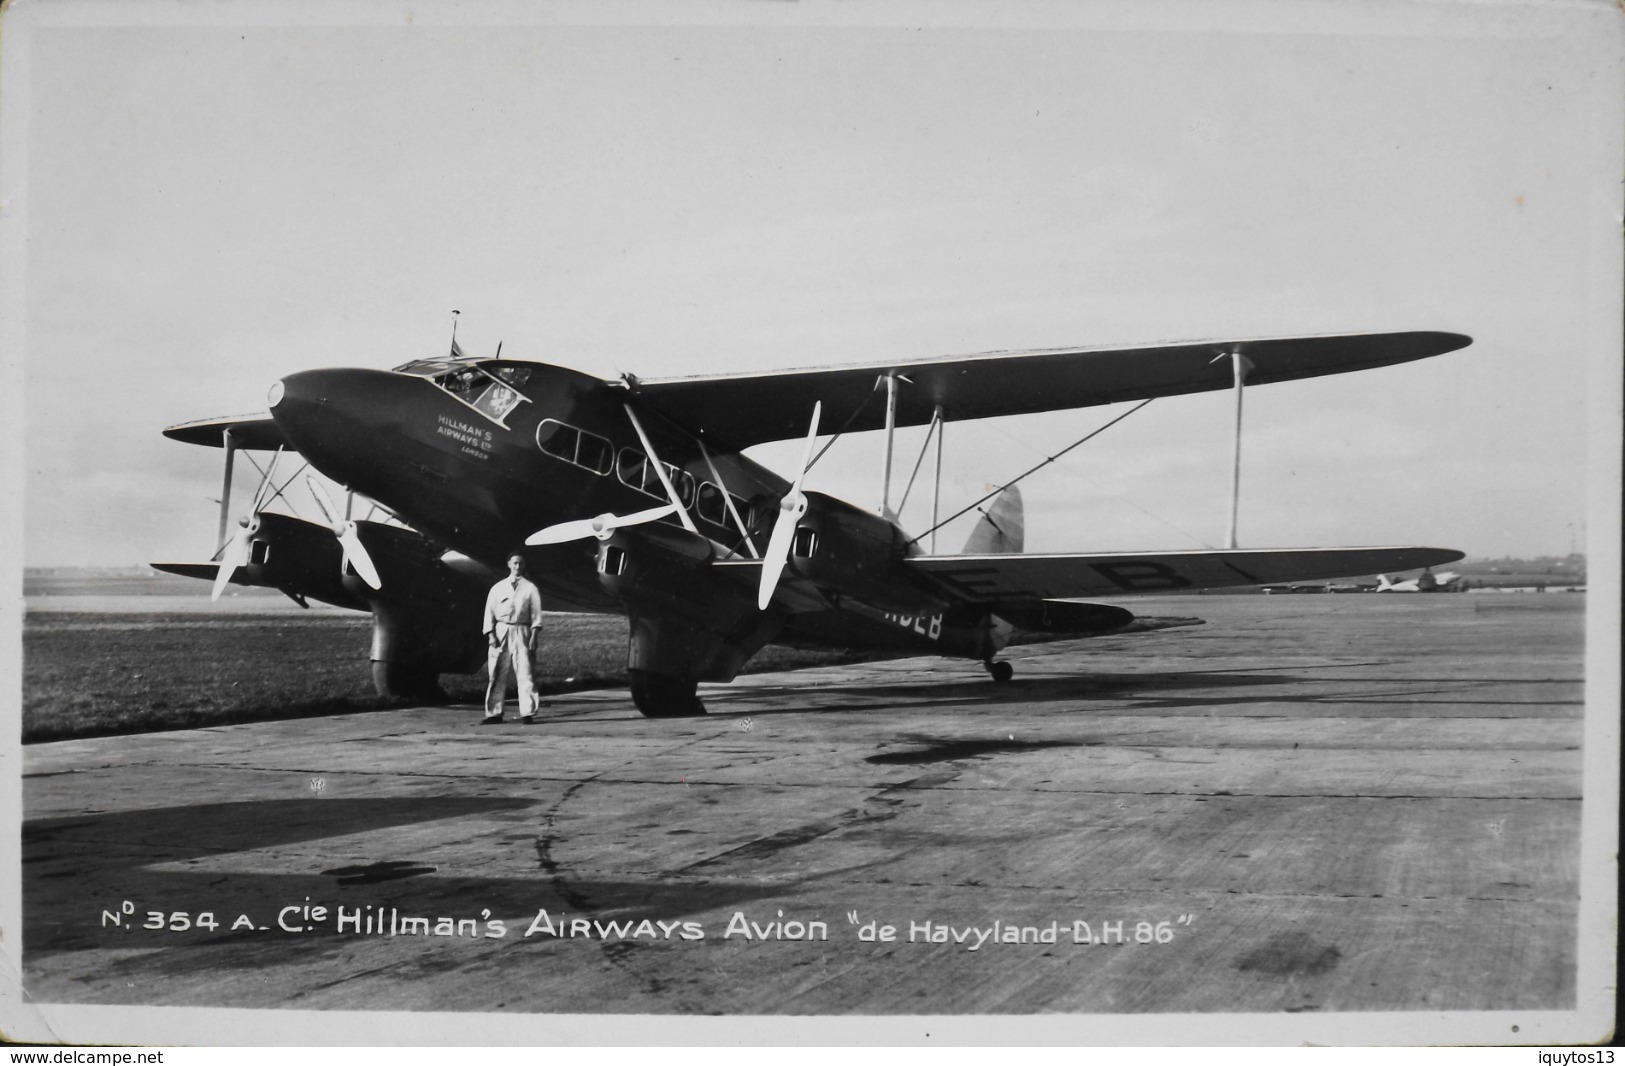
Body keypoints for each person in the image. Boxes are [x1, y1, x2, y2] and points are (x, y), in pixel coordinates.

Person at [482, 550, 544, 724]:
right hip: (501, 630)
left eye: (521, 563)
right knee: (497, 673)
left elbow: (536, 614)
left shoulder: (530, 588)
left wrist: (534, 636)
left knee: (525, 672)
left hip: (522, 631)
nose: (517, 566)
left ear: (524, 566)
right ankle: (494, 713)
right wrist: (491, 634)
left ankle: (528, 713)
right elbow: (489, 612)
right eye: (514, 563)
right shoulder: (498, 588)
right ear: (508, 564)